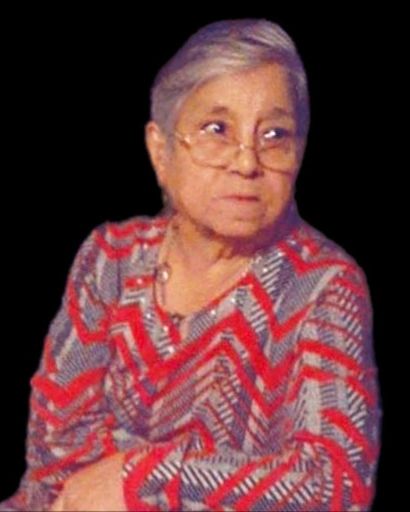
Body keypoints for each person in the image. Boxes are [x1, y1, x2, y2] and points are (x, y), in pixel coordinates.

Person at [0, 18, 381, 512]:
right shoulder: (111, 257)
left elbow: (335, 482)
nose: (247, 162)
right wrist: (236, 480)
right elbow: (55, 443)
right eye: (217, 130)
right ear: (160, 150)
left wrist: (146, 477)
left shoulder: (322, 286)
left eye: (274, 135)